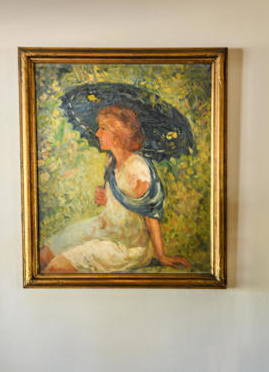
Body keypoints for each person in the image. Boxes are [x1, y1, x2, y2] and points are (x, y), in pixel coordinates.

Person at [40, 106, 191, 273]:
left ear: (118, 135)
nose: (97, 133)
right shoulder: (111, 160)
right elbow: (121, 203)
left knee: (57, 266)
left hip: (126, 244)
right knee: (46, 253)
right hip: (106, 227)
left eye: (103, 129)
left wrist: (161, 256)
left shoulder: (137, 168)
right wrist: (107, 199)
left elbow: (150, 214)